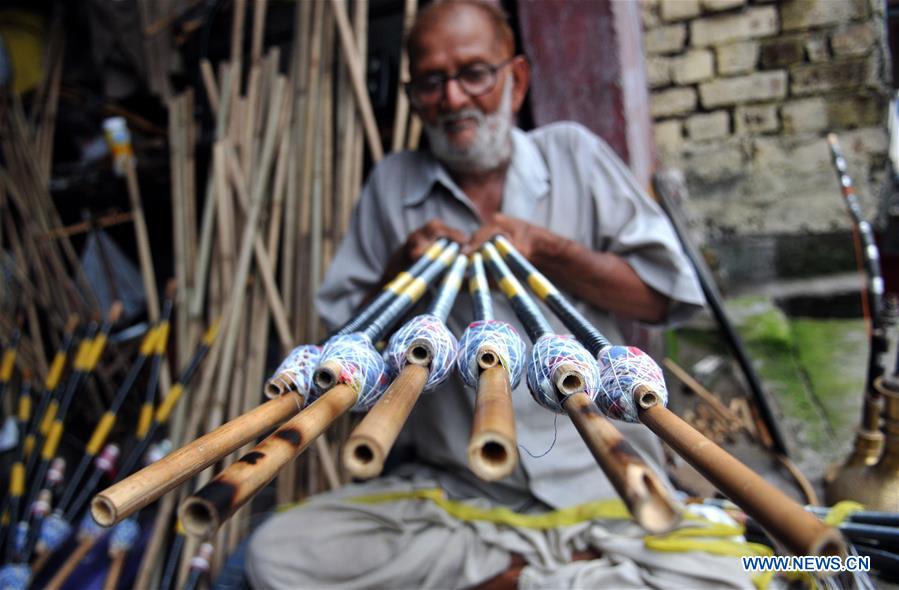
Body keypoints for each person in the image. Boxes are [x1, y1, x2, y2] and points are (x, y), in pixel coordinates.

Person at [247, 1, 753, 588]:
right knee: (277, 555)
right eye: (432, 81)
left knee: (751, 571)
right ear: (413, 95)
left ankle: (527, 576)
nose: (455, 98)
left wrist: (549, 249)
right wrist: (398, 270)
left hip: (603, 473)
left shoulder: (574, 155)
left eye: (474, 74)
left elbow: (666, 297)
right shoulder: (393, 182)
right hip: (459, 493)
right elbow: (342, 338)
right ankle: (538, 576)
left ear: (516, 79)